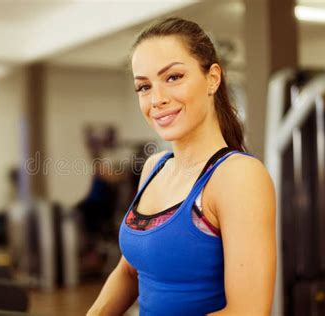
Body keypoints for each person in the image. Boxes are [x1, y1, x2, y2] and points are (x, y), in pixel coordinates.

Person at [87, 17, 276, 316]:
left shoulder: (238, 176)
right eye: (144, 86)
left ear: (213, 78)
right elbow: (129, 272)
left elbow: (248, 311)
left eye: (173, 77)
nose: (157, 99)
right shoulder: (154, 168)